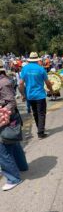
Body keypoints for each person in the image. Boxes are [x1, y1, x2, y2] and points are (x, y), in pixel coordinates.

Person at [0, 61, 28, 191]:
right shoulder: (5, 80)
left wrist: (3, 114)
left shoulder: (3, 83)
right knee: (13, 143)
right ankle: (22, 166)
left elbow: (11, 102)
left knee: (3, 149)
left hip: (7, 119)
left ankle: (13, 177)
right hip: (9, 118)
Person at [19, 52, 53, 139]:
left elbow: (21, 84)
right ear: (37, 59)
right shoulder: (41, 69)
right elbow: (47, 83)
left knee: (35, 113)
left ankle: (40, 128)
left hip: (30, 95)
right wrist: (51, 90)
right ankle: (40, 132)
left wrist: (22, 94)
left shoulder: (25, 69)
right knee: (41, 113)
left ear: (29, 59)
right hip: (40, 95)